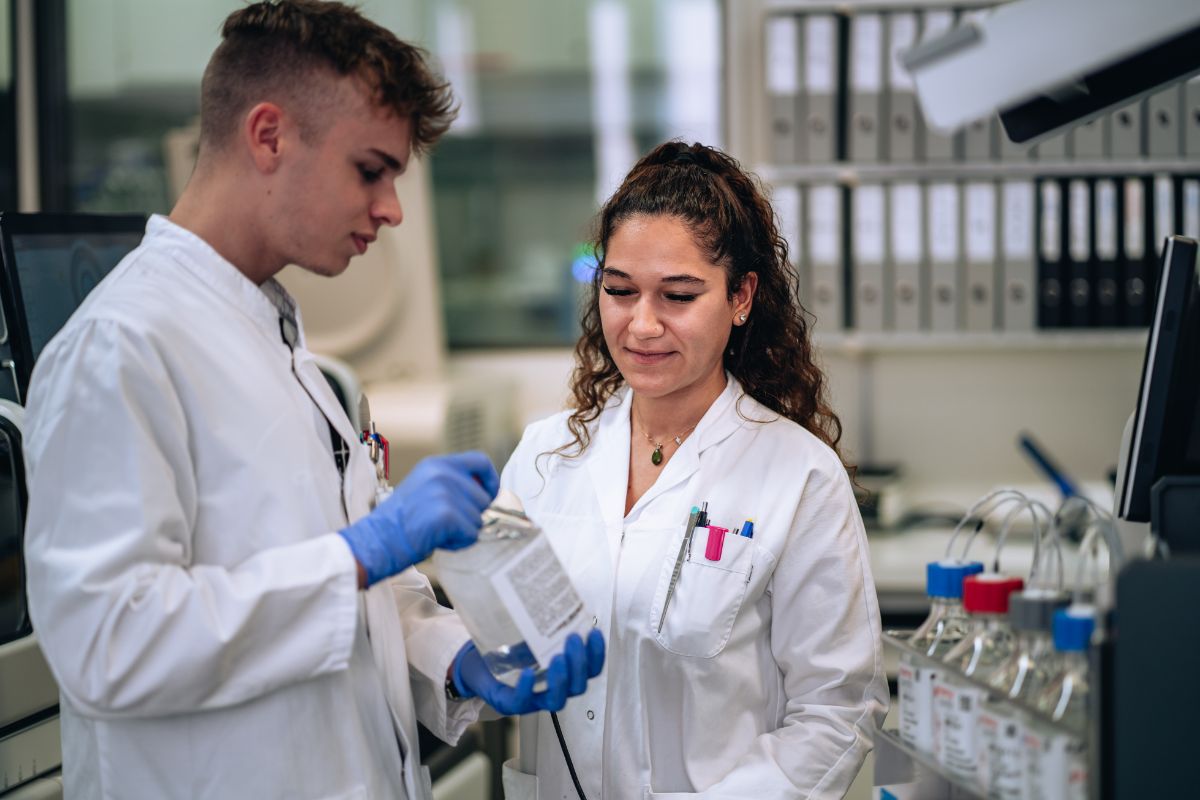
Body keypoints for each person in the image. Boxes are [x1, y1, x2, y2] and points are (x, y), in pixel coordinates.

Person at [22, 3, 602, 799]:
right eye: (371, 170)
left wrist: (455, 659)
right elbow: (109, 644)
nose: (392, 208)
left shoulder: (277, 338)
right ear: (268, 136)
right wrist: (365, 547)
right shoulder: (123, 347)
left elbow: (352, 603)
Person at [499, 141, 888, 798]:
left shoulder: (798, 478)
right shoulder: (545, 458)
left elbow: (837, 713)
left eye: (677, 295)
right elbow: (496, 654)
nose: (641, 325)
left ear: (741, 297)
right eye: (619, 290)